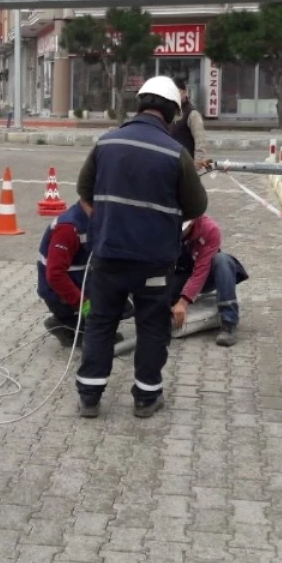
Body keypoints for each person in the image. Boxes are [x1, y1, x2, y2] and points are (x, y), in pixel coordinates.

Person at [75, 76, 209, 419]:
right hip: (153, 262)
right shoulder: (175, 153)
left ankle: (89, 396)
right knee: (152, 326)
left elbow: (84, 192)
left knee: (101, 323)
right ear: (172, 114)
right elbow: (196, 208)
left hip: (108, 256)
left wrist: (104, 222)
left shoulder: (105, 143)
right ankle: (146, 398)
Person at [171, 216, 248, 347]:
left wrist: (183, 303)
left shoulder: (209, 229)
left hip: (206, 275)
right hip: (180, 274)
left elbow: (200, 272)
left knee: (222, 260)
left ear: (191, 224)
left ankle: (229, 322)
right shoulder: (165, 225)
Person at [36, 200, 94, 346]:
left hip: (83, 281)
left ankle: (78, 322)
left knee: (122, 302)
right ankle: (65, 323)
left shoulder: (94, 219)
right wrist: (83, 304)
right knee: (100, 333)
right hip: (61, 293)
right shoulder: (69, 228)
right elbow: (55, 275)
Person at [169, 77, 209, 168]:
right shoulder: (169, 111)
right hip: (170, 163)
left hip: (186, 164)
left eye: (178, 92)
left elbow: (200, 141)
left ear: (185, 92)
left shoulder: (192, 113)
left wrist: (197, 163)